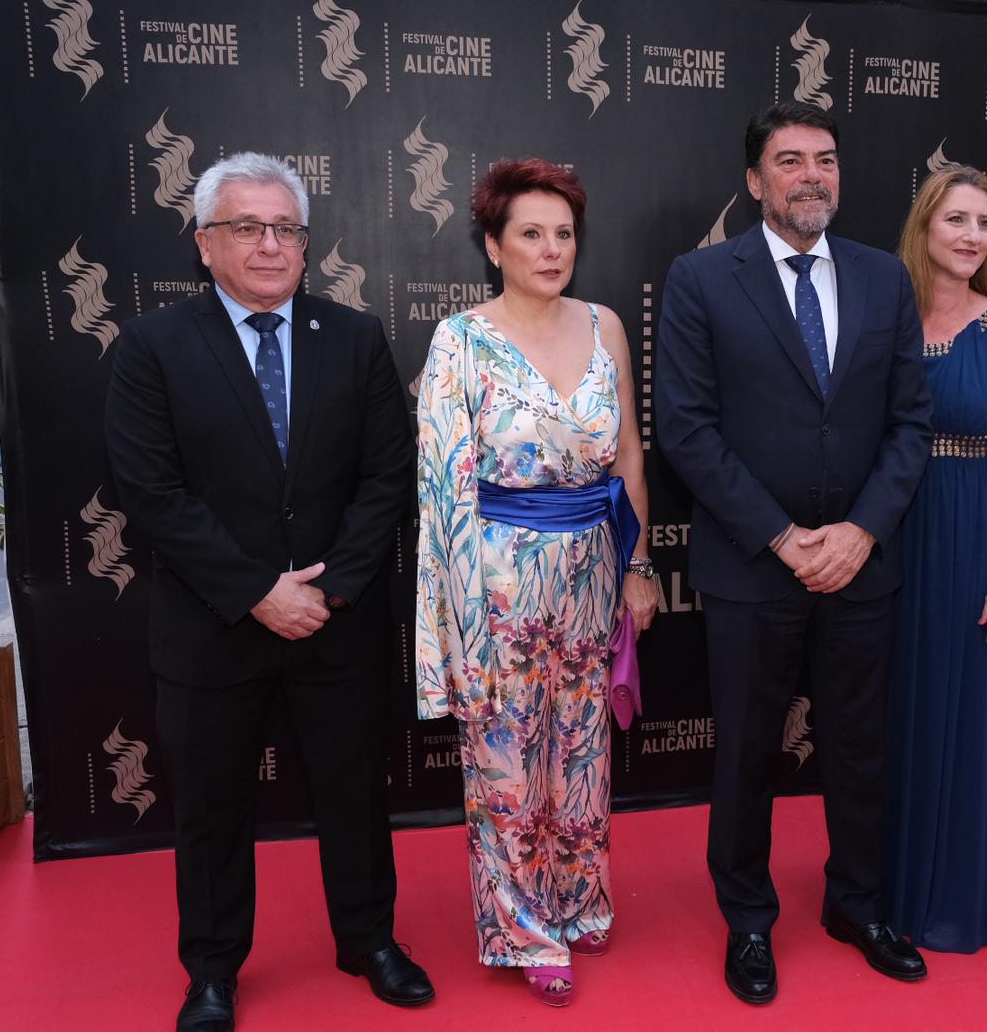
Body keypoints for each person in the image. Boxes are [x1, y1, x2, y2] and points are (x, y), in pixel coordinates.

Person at [105, 153, 430, 1032]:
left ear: (307, 244)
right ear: (205, 243)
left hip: (338, 622)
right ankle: (212, 969)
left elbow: (387, 476)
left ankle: (368, 941)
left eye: (285, 228)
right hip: (213, 628)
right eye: (246, 227)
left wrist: (333, 591)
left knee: (356, 795)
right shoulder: (152, 347)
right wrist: (257, 591)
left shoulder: (355, 338)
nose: (269, 244)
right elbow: (152, 494)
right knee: (209, 810)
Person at [656, 101, 933, 1005]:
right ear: (754, 181)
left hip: (862, 564)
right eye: (790, 161)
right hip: (750, 566)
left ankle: (857, 903)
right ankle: (747, 920)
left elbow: (910, 424)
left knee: (860, 748)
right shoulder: (700, 279)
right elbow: (687, 433)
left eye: (825, 160)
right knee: (744, 754)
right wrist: (780, 537)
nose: (812, 175)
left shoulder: (886, 279)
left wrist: (860, 532)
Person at [413, 158, 660, 1007]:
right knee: (506, 759)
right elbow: (442, 484)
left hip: (593, 565)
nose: (552, 249)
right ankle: (524, 929)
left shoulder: (605, 325)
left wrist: (638, 563)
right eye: (531, 233)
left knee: (585, 749)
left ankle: (580, 896)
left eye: (563, 234)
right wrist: (453, 617)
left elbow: (628, 454)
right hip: (497, 579)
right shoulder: (461, 339)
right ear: (493, 244)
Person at [882, 164, 987, 952]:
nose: (970, 236)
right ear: (925, 226)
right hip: (902, 536)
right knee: (907, 711)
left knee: (981, 717)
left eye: (984, 223)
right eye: (956, 219)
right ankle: (896, 886)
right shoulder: (889, 318)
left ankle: (971, 895)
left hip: (986, 537)